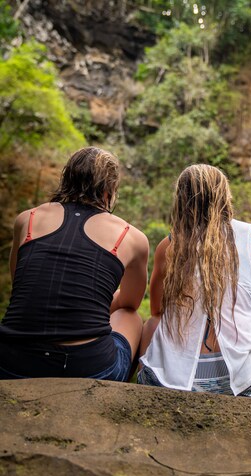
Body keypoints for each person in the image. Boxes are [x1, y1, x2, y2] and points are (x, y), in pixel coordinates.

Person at [138, 164, 251, 397]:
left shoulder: (170, 245)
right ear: (225, 196)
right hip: (245, 387)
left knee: (153, 322)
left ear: (181, 200)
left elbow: (157, 310)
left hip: (170, 384)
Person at [0, 146, 149, 380]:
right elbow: (130, 302)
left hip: (10, 361)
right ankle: (117, 396)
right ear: (110, 188)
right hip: (87, 368)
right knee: (131, 317)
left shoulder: (27, 220)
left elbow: (23, 287)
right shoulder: (131, 237)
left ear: (66, 177)